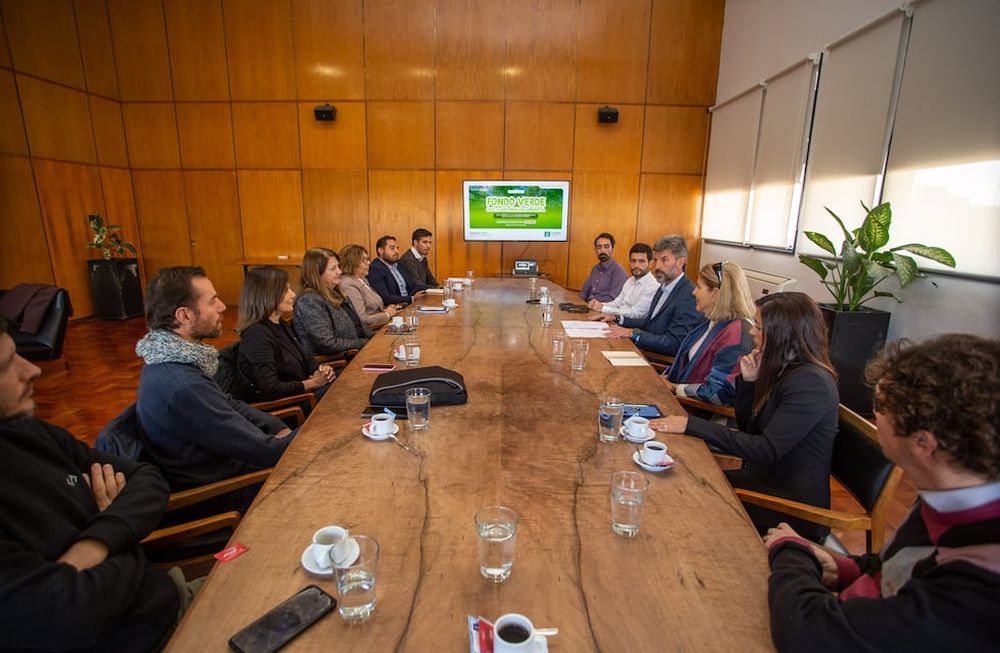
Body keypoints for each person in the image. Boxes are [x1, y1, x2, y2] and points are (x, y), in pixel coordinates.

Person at [763, 334, 1000, 651]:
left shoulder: (981, 581)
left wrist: (791, 553)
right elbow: (904, 564)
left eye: (880, 406)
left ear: (923, 443)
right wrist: (848, 569)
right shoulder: (953, 490)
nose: (874, 416)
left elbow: (809, 633)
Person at [0, 315, 181, 651]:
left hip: (170, 597)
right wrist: (121, 534)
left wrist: (97, 541)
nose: (33, 369)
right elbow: (65, 616)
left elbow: (147, 478)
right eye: (6, 365)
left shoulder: (32, 431)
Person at [651, 292, 838, 541]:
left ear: (782, 333)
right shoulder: (785, 369)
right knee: (675, 479)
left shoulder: (811, 384)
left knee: (678, 491)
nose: (752, 332)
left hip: (788, 505)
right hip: (764, 480)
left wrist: (691, 425)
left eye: (759, 326)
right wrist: (749, 383)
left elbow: (764, 449)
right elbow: (750, 429)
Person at [136, 266, 294, 492]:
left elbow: (228, 404)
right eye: (212, 301)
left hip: (235, 467)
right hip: (230, 490)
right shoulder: (184, 385)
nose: (222, 307)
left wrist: (275, 425)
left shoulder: (171, 361)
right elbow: (266, 452)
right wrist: (312, 434)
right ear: (184, 315)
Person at [235, 266, 335, 404]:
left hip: (303, 394)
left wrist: (322, 371)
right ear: (268, 295)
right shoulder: (256, 335)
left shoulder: (280, 323)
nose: (293, 294)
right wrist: (313, 383)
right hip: (291, 406)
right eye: (286, 290)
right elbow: (270, 388)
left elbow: (307, 361)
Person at [661, 261, 754, 406]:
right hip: (678, 399)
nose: (694, 292)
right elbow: (685, 363)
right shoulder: (710, 321)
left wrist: (675, 388)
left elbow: (718, 393)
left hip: (696, 411)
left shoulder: (736, 333)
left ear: (715, 293)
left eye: (699, 287)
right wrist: (663, 379)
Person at [605, 235, 703, 357]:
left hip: (657, 360)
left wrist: (634, 334)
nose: (657, 266)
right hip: (643, 350)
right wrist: (618, 318)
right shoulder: (662, 287)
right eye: (656, 260)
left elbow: (674, 343)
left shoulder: (688, 295)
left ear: (680, 262)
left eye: (664, 260)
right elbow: (650, 323)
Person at [294, 247, 372, 358]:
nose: (339, 271)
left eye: (338, 267)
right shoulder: (309, 300)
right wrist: (365, 343)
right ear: (317, 273)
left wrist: (374, 338)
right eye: (333, 268)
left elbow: (358, 324)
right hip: (341, 361)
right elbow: (327, 343)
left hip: (360, 351)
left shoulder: (335, 292)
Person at [587, 242, 659, 320]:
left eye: (641, 261)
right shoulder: (630, 281)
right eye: (633, 261)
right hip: (617, 320)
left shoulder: (653, 286)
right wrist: (599, 304)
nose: (636, 265)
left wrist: (603, 308)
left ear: (650, 263)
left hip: (630, 325)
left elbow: (636, 313)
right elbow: (617, 303)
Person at [338, 244, 404, 329]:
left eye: (367, 259)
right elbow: (362, 319)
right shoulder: (348, 283)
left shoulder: (363, 280)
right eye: (364, 260)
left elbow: (371, 308)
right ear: (352, 262)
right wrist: (387, 314)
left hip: (381, 325)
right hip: (371, 332)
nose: (368, 263)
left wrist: (387, 309)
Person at [368, 235, 423, 306]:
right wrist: (412, 298)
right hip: (394, 308)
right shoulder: (375, 268)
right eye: (392, 248)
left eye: (397, 248)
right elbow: (385, 298)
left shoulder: (399, 264)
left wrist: (428, 290)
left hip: (409, 305)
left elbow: (412, 286)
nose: (396, 251)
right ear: (381, 251)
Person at [579, 232, 629, 303]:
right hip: (588, 306)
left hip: (604, 308)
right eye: (599, 247)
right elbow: (584, 292)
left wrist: (595, 305)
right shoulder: (595, 269)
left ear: (612, 249)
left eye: (606, 247)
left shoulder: (619, 271)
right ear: (595, 250)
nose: (602, 250)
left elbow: (614, 300)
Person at [398, 227, 439, 292]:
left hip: (422, 293)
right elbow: (417, 285)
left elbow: (431, 280)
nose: (429, 246)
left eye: (430, 243)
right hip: (413, 296)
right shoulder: (408, 259)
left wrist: (442, 288)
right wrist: (439, 289)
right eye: (425, 242)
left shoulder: (422, 258)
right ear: (415, 242)